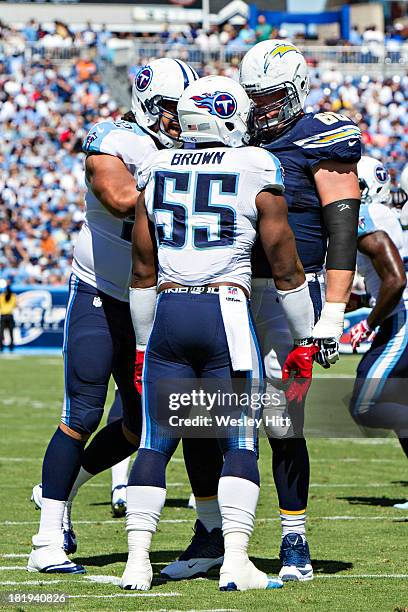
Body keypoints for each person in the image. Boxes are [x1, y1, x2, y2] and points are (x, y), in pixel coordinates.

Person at [163, 40, 361, 583]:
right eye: (255, 97)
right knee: (204, 417)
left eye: (271, 96)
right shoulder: (232, 134)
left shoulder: (321, 136)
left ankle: (293, 536)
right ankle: (210, 531)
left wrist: (333, 312)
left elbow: (342, 230)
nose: (263, 108)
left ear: (295, 89)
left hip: (289, 295)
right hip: (225, 291)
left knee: (281, 420)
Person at [121, 74, 318, 592]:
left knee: (154, 441)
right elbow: (287, 268)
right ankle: (235, 560)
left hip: (167, 311)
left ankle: (136, 562)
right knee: (239, 440)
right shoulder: (255, 165)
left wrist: (142, 346)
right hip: (225, 311)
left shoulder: (156, 165)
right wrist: (306, 339)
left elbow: (141, 269)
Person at [27, 58, 198, 575]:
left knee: (141, 421)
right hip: (100, 293)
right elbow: (123, 199)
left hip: (152, 299)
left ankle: (62, 495)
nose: (180, 121)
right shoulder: (114, 139)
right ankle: (45, 544)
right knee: (82, 414)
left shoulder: (188, 152)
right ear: (148, 103)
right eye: (172, 110)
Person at [349, 156, 408, 479]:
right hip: (397, 312)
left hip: (401, 316)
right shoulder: (384, 212)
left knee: (364, 405)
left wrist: (368, 322)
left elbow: (395, 280)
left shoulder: (366, 214)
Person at [0, 280, 17, 352]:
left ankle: (1, 347)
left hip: (3, 316)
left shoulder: (2, 296)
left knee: (1, 332)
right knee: (11, 332)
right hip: (10, 315)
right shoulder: (13, 296)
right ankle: (11, 347)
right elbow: (15, 305)